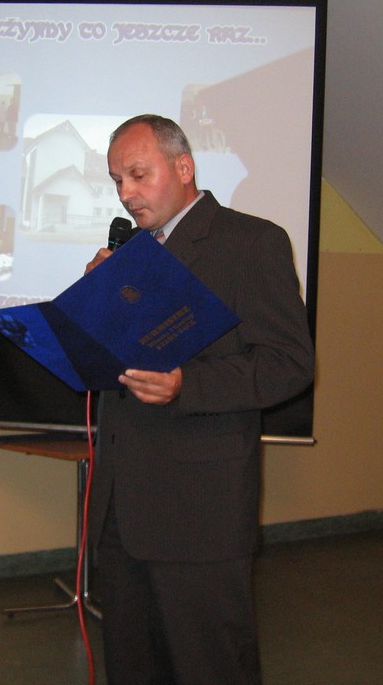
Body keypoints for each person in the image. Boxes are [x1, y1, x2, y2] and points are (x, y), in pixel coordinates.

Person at [85, 115, 314, 685]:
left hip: (199, 512)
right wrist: (92, 307)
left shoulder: (251, 243)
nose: (125, 193)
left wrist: (188, 384)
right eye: (117, 180)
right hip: (121, 508)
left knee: (209, 667)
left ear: (183, 167)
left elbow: (289, 363)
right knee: (133, 668)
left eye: (138, 175)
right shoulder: (131, 254)